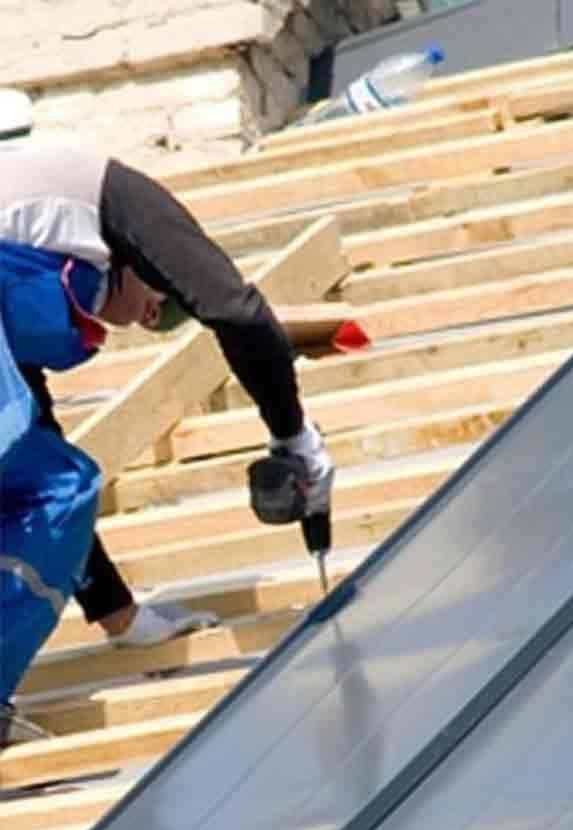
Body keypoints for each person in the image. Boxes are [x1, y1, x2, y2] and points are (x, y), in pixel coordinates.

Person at [1, 132, 334, 747]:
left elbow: (37, 461)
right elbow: (234, 310)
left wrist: (121, 619)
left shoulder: (32, 260)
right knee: (58, 488)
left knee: (52, 485)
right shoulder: (115, 195)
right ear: (142, 262)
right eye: (160, 303)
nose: (149, 319)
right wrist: (295, 438)